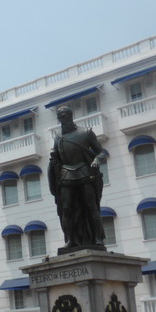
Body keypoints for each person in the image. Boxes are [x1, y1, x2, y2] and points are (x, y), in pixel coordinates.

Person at [48, 105, 110, 251]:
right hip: (66, 174)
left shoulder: (86, 133)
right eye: (59, 118)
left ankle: (97, 238)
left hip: (84, 172)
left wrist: (97, 160)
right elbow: (56, 158)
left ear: (70, 116)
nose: (61, 120)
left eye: (63, 117)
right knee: (66, 208)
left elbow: (101, 152)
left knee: (91, 206)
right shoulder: (58, 138)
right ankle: (70, 239)